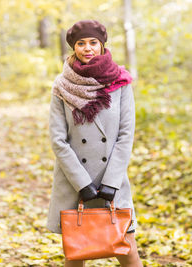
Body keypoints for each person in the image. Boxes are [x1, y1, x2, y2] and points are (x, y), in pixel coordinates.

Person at [46, 20, 143, 267]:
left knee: (127, 250)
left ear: (102, 45)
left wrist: (110, 182)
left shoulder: (120, 81)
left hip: (112, 178)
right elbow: (58, 140)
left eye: (93, 42)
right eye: (81, 43)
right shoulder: (61, 85)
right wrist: (82, 183)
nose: (87, 48)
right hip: (75, 180)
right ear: (73, 47)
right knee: (76, 253)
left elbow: (125, 134)